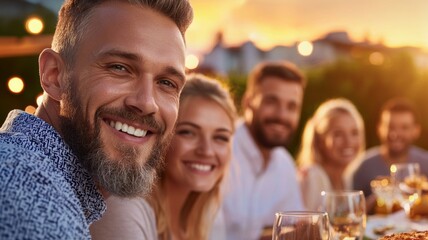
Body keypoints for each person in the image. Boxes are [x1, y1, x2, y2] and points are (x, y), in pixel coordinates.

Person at [0, 0, 193, 239]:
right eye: (120, 68)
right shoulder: (36, 203)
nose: (146, 103)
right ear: (54, 75)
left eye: (167, 83)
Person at [90, 74, 237, 239]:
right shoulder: (124, 207)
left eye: (221, 137)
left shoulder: (208, 212)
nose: (207, 151)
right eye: (188, 132)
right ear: (161, 137)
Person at [221, 61, 306, 240]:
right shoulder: (218, 151)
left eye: (292, 107)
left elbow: (295, 228)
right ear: (248, 102)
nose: (282, 115)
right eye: (271, 101)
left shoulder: (285, 164)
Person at [347, 97, 428, 212]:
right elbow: (351, 212)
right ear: (380, 128)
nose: (396, 134)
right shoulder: (363, 166)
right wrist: (379, 197)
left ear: (416, 130)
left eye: (404, 127)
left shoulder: (425, 162)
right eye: (390, 126)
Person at [296, 98, 366, 211]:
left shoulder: (345, 177)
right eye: (338, 134)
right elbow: (307, 226)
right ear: (320, 140)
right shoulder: (313, 177)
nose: (348, 142)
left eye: (354, 133)